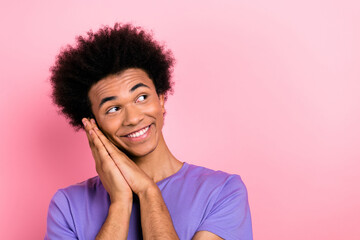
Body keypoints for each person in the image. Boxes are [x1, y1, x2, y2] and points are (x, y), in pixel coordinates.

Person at [45, 23, 253, 240]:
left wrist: (148, 192)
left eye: (141, 97)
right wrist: (120, 203)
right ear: (92, 124)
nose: (133, 118)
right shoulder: (67, 206)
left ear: (161, 100)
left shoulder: (222, 192)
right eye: (113, 109)